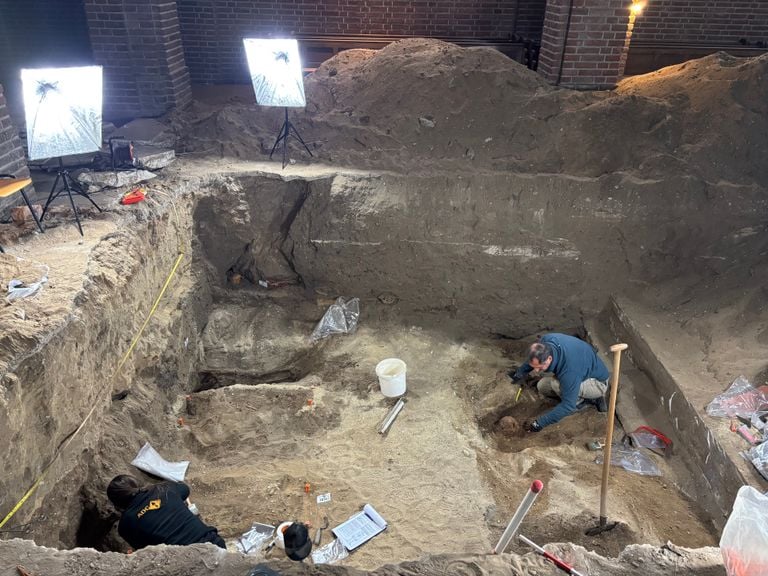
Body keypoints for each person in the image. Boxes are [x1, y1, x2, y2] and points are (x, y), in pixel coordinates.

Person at [510, 333, 610, 432]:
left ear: (549, 359)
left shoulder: (569, 371)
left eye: (539, 367)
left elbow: (568, 405)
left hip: (597, 383)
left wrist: (539, 423)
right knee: (542, 386)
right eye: (535, 367)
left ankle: (582, 402)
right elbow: (533, 359)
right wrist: (519, 373)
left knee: (557, 384)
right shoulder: (546, 341)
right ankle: (580, 393)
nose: (536, 370)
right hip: (581, 368)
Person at [107, 474, 226, 550]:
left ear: (117, 504)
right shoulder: (164, 488)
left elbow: (145, 551)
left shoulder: (126, 526)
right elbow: (184, 489)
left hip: (187, 563)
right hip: (215, 545)